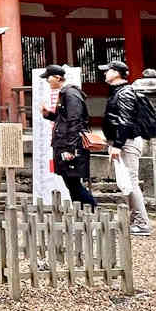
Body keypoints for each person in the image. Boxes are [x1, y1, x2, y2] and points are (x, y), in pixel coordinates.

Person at [101, 60, 152, 236]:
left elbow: (125, 120)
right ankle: (134, 219)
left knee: (130, 181)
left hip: (127, 141)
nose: (105, 73)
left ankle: (142, 222)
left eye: (108, 70)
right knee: (126, 181)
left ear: (116, 73)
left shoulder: (125, 93)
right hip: (123, 141)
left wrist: (117, 144)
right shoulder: (119, 92)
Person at [40, 64, 96, 210]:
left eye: (49, 77)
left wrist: (70, 149)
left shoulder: (70, 94)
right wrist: (49, 115)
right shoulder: (65, 93)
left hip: (71, 146)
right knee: (71, 182)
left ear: (58, 78)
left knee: (73, 182)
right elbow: (64, 120)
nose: (47, 81)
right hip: (65, 144)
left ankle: (92, 209)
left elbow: (74, 121)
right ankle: (83, 214)